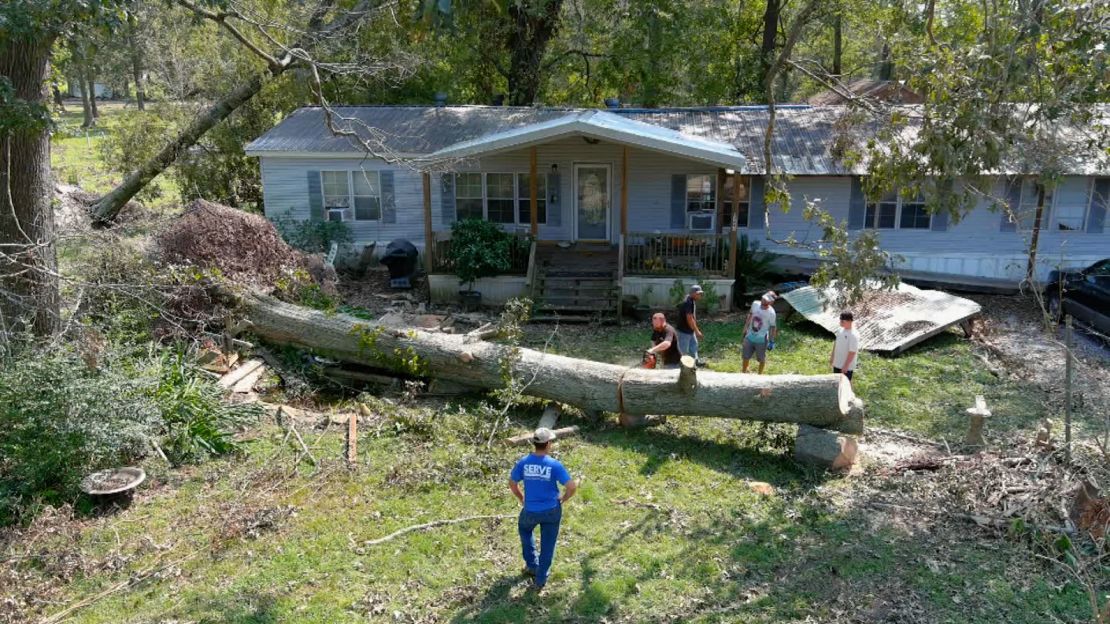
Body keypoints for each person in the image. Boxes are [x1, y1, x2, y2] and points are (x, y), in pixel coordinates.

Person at [509, 428, 578, 591]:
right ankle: (540, 579)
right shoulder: (554, 465)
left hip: (530, 510)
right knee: (548, 544)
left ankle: (532, 565)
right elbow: (572, 486)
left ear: (535, 443)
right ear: (548, 444)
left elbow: (512, 483)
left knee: (525, 531)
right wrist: (564, 498)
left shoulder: (523, 462)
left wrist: (521, 498)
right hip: (552, 510)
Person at [741, 291, 778, 374]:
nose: (763, 301)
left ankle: (760, 374)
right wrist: (745, 329)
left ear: (771, 302)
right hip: (749, 335)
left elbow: (773, 327)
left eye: (766, 300)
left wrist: (771, 341)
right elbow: (750, 316)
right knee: (745, 356)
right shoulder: (755, 304)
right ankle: (744, 372)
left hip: (761, 339)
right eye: (763, 298)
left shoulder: (771, 313)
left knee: (761, 358)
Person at [675, 284, 704, 364]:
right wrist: (697, 331)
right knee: (683, 350)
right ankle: (681, 365)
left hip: (690, 329)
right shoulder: (688, 302)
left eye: (700, 293)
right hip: (684, 330)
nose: (700, 295)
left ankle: (695, 362)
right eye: (698, 294)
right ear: (693, 293)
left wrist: (694, 330)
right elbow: (689, 319)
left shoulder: (690, 300)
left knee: (693, 346)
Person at [830, 310, 859, 381]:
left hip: (846, 367)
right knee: (837, 382)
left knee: (846, 384)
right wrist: (832, 356)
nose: (840, 323)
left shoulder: (853, 335)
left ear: (850, 321)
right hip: (837, 363)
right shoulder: (840, 330)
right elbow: (836, 343)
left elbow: (852, 352)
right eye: (840, 321)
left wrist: (846, 366)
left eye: (843, 322)